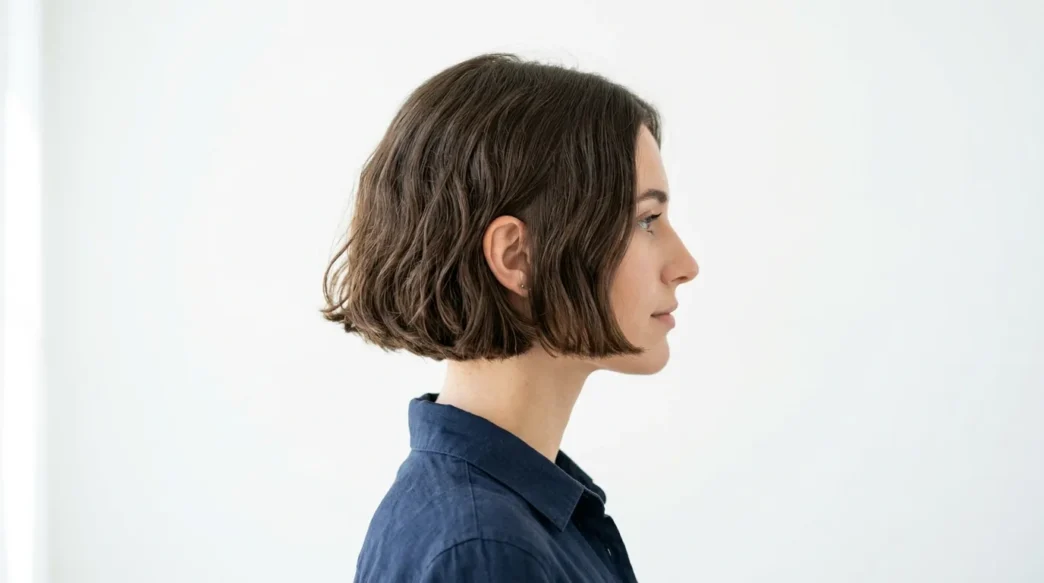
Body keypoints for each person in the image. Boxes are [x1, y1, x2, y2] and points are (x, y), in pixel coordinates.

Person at [321, 52, 699, 582]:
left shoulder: (499, 521)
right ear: (517, 256)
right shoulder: (487, 551)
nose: (686, 266)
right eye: (646, 220)